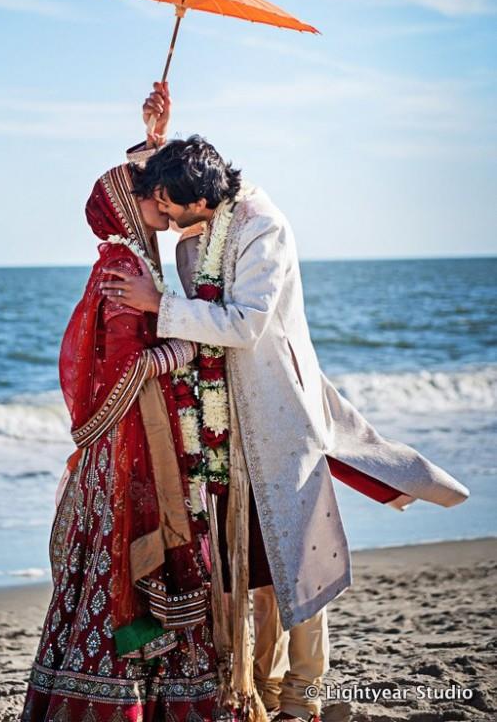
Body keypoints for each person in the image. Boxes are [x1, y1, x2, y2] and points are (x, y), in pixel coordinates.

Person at [99, 85, 470, 722]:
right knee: (241, 564)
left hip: (276, 414)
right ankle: (253, 692)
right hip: (218, 427)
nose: (161, 212)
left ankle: (303, 694)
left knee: (292, 561)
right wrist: (156, 137)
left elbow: (243, 323)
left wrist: (160, 307)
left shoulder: (262, 227)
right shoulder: (194, 226)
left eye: (168, 201)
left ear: (200, 201)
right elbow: (158, 207)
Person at [20, 162, 220, 722]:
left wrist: (154, 133)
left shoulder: (135, 258)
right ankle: (120, 696)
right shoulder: (123, 264)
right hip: (130, 443)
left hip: (131, 438)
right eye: (145, 193)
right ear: (128, 205)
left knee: (131, 559)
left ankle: (146, 690)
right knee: (130, 557)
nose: (159, 198)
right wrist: (186, 350)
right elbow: (122, 368)